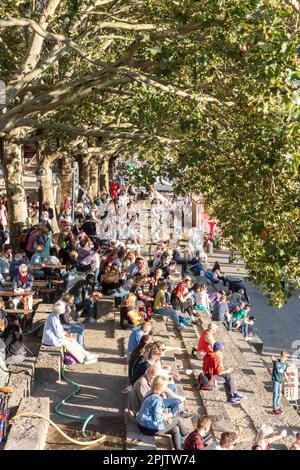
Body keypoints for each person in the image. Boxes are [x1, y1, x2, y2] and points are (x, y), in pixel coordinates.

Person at [136, 376, 188, 450]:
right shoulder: (157, 399)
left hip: (143, 424)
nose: (167, 387)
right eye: (165, 386)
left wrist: (165, 417)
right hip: (148, 428)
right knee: (177, 420)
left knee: (175, 429)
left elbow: (155, 412)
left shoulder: (150, 392)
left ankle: (178, 448)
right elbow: (157, 418)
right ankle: (188, 436)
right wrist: (168, 416)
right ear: (161, 387)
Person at [271, 351, 289, 415]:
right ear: (280, 356)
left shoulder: (285, 365)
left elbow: (284, 372)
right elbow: (273, 359)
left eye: (284, 357)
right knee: (275, 394)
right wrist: (273, 358)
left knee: (279, 394)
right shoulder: (277, 361)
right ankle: (274, 408)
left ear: (286, 358)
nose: (282, 358)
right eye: (282, 356)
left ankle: (278, 407)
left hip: (280, 381)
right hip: (275, 380)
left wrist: (286, 377)